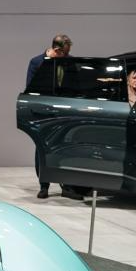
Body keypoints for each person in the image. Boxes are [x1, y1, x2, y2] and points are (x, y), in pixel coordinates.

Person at [26, 34, 77, 199]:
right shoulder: (36, 62)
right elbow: (30, 88)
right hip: (44, 112)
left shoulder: (70, 62)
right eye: (65, 53)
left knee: (65, 148)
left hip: (65, 112)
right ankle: (44, 186)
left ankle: (66, 186)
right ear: (56, 49)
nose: (67, 56)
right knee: (42, 148)